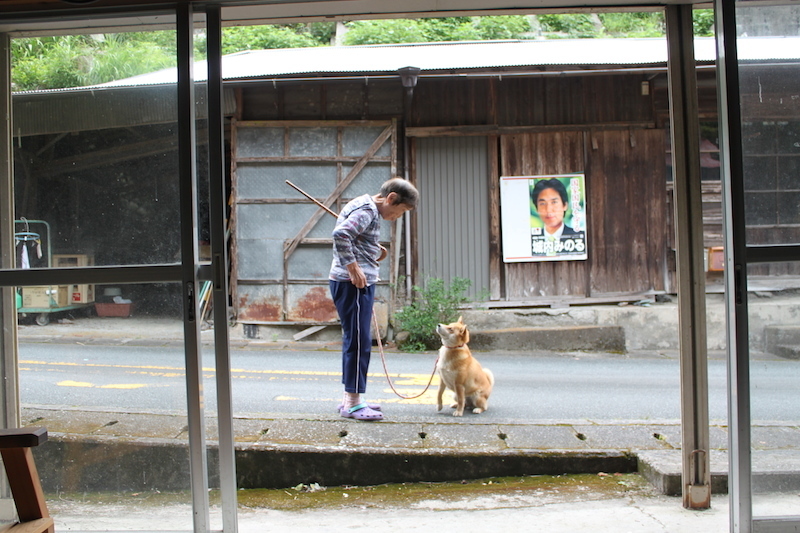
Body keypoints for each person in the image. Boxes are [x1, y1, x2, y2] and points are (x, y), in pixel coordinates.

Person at [330, 177, 419, 421]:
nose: (398, 216)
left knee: (356, 340)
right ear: (391, 198)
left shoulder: (364, 206)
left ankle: (351, 398)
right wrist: (353, 268)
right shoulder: (368, 211)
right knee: (359, 342)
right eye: (400, 211)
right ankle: (354, 403)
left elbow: (354, 237)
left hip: (354, 284)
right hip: (353, 284)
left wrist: (374, 250)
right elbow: (341, 234)